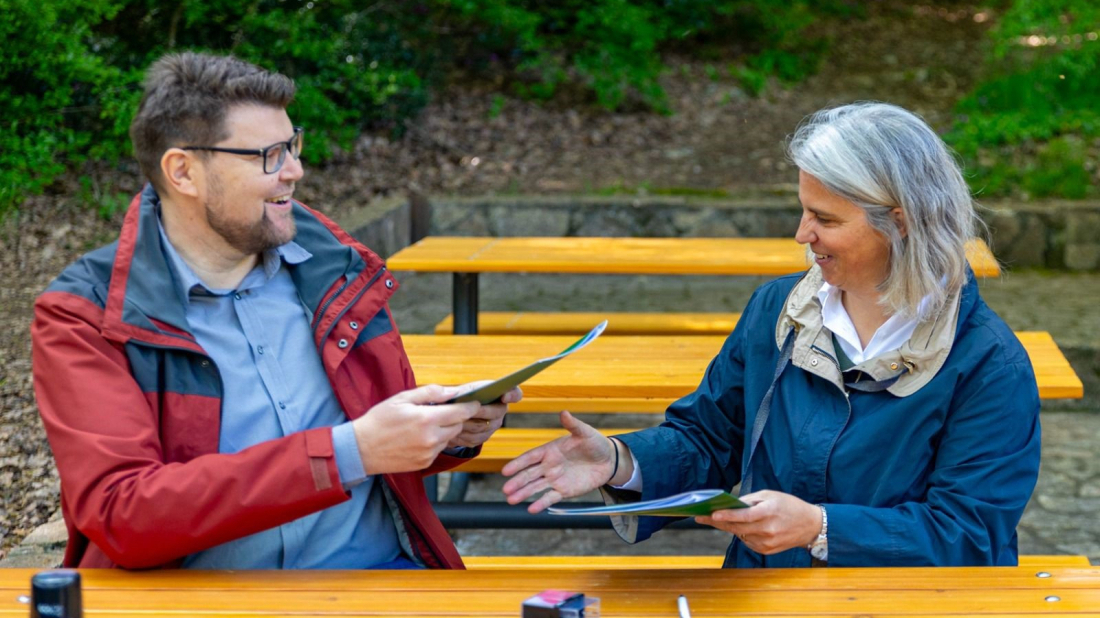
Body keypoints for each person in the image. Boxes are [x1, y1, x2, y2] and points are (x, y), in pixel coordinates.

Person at [31, 52, 519, 570]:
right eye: (268, 155)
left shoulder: (337, 269)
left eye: (293, 145)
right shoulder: (85, 314)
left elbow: (379, 434)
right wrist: (349, 452)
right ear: (183, 172)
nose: (294, 171)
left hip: (385, 582)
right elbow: (122, 512)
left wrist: (449, 432)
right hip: (202, 604)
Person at [502, 102, 1041, 567]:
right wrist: (622, 459)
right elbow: (709, 438)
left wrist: (821, 529)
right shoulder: (778, 310)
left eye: (824, 219)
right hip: (763, 594)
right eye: (803, 211)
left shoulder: (989, 364)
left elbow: (968, 535)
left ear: (899, 222)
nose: (802, 235)